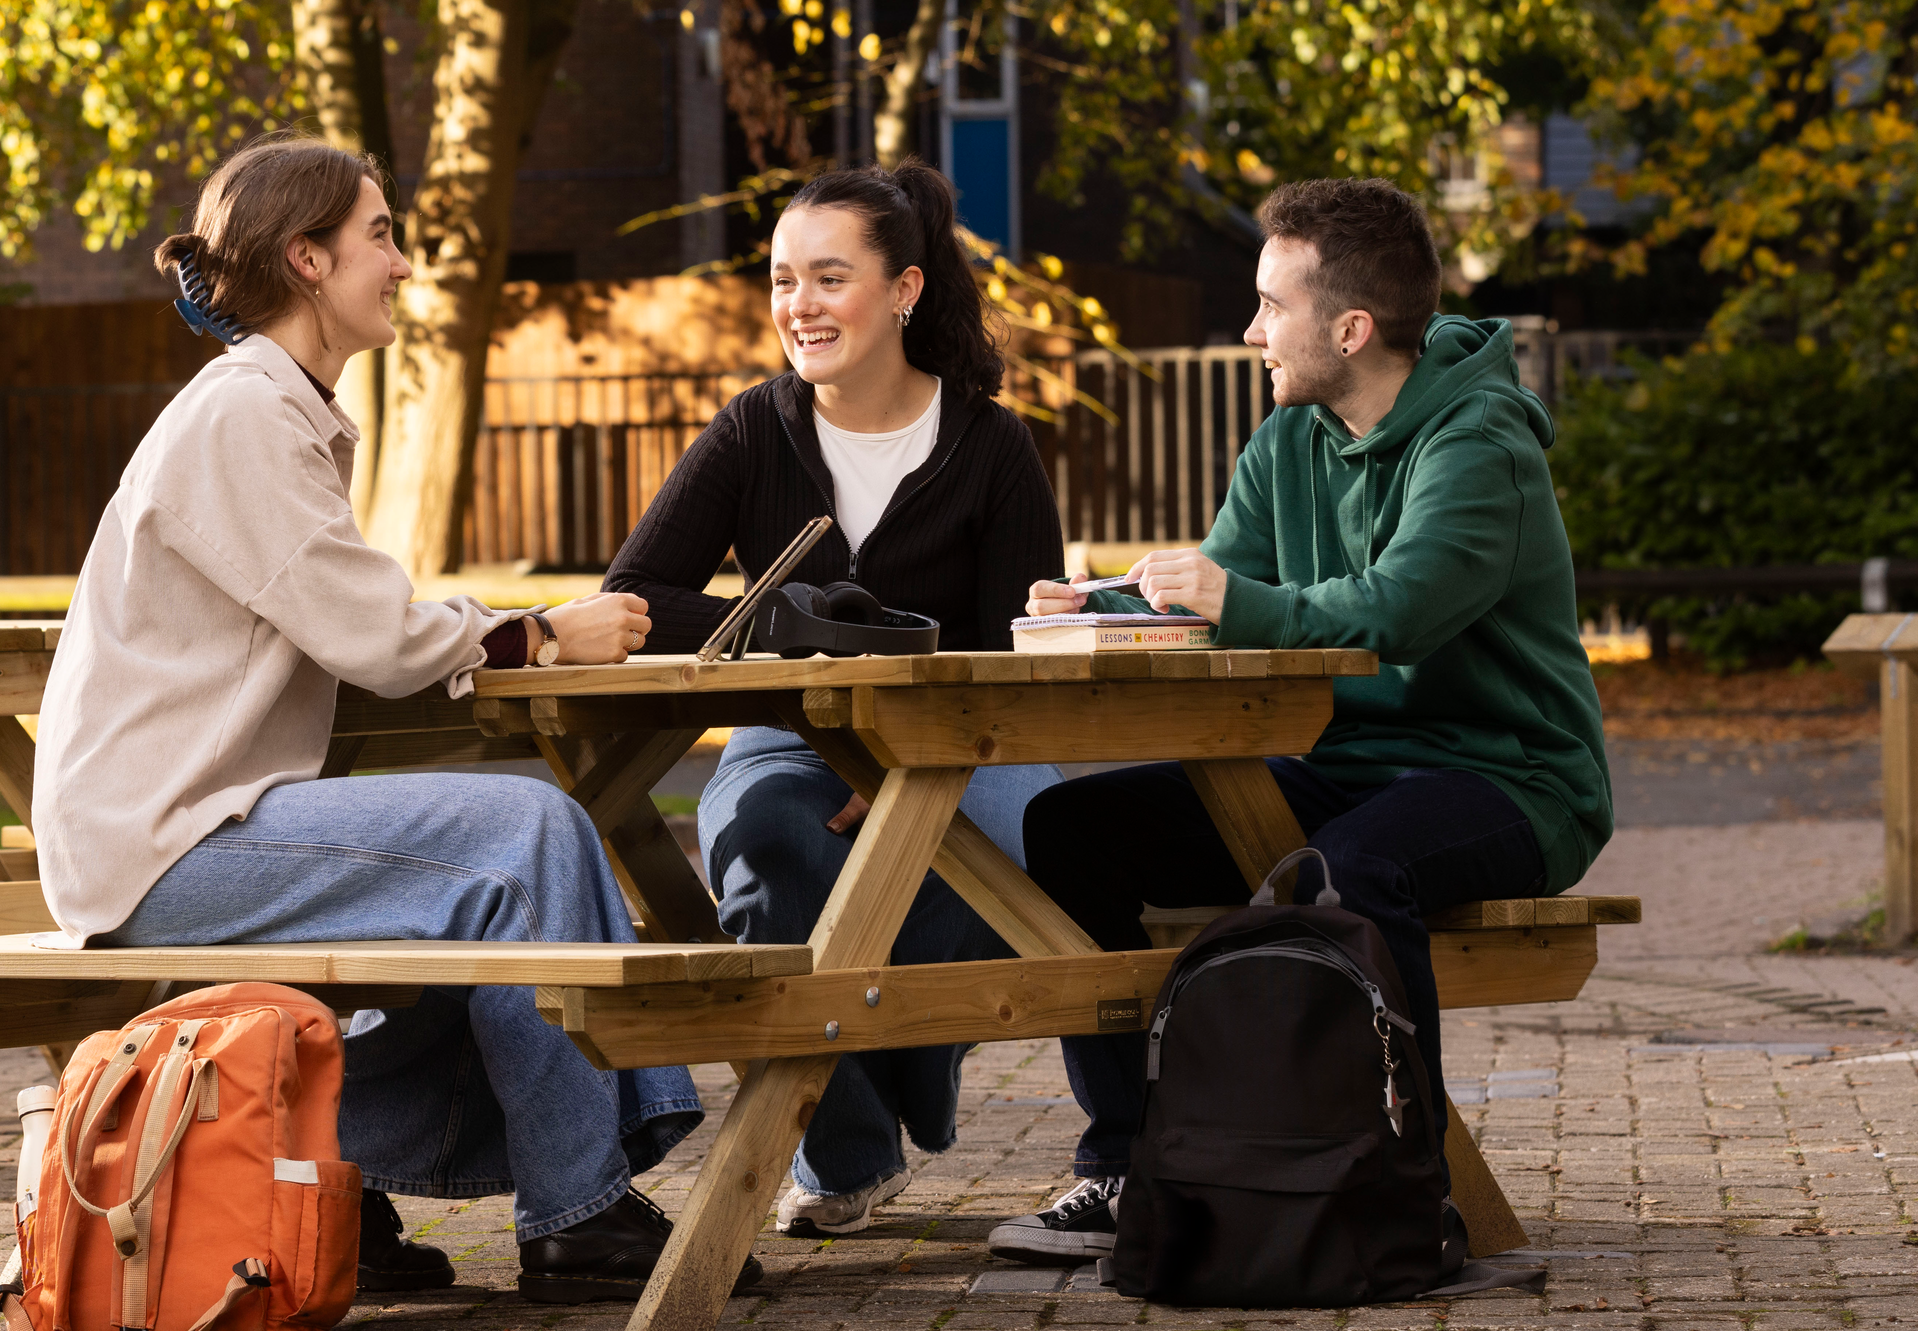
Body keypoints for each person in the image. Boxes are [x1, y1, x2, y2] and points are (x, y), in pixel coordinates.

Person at [30, 131, 760, 1305]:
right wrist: (535, 632)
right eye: (381, 235)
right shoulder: (244, 420)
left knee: (491, 923)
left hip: (186, 823)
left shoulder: (274, 412)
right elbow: (370, 630)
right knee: (526, 835)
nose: (405, 264)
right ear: (307, 259)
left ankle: (328, 1182)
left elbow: (343, 622)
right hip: (166, 844)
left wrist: (486, 639)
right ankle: (577, 1214)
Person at [987, 176, 1613, 1265]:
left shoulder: (1480, 445)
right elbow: (1227, 584)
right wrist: (1105, 604)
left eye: (1272, 306)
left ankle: (1402, 1186)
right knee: (1071, 831)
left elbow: (1400, 613)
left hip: (1512, 779)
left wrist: (1226, 601)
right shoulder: (1289, 441)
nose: (1250, 332)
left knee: (1349, 872)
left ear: (1352, 327)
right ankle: (1129, 1165)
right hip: (1350, 767)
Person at [605, 163, 1066, 1239]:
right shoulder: (754, 430)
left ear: (904, 290)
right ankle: (851, 1153)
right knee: (762, 844)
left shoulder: (991, 445)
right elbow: (634, 596)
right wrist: (790, 621)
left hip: (969, 747)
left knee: (1006, 854)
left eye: (827, 277)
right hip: (793, 742)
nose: (798, 306)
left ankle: (912, 1054)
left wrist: (913, 769)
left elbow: (1016, 649)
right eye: (780, 282)